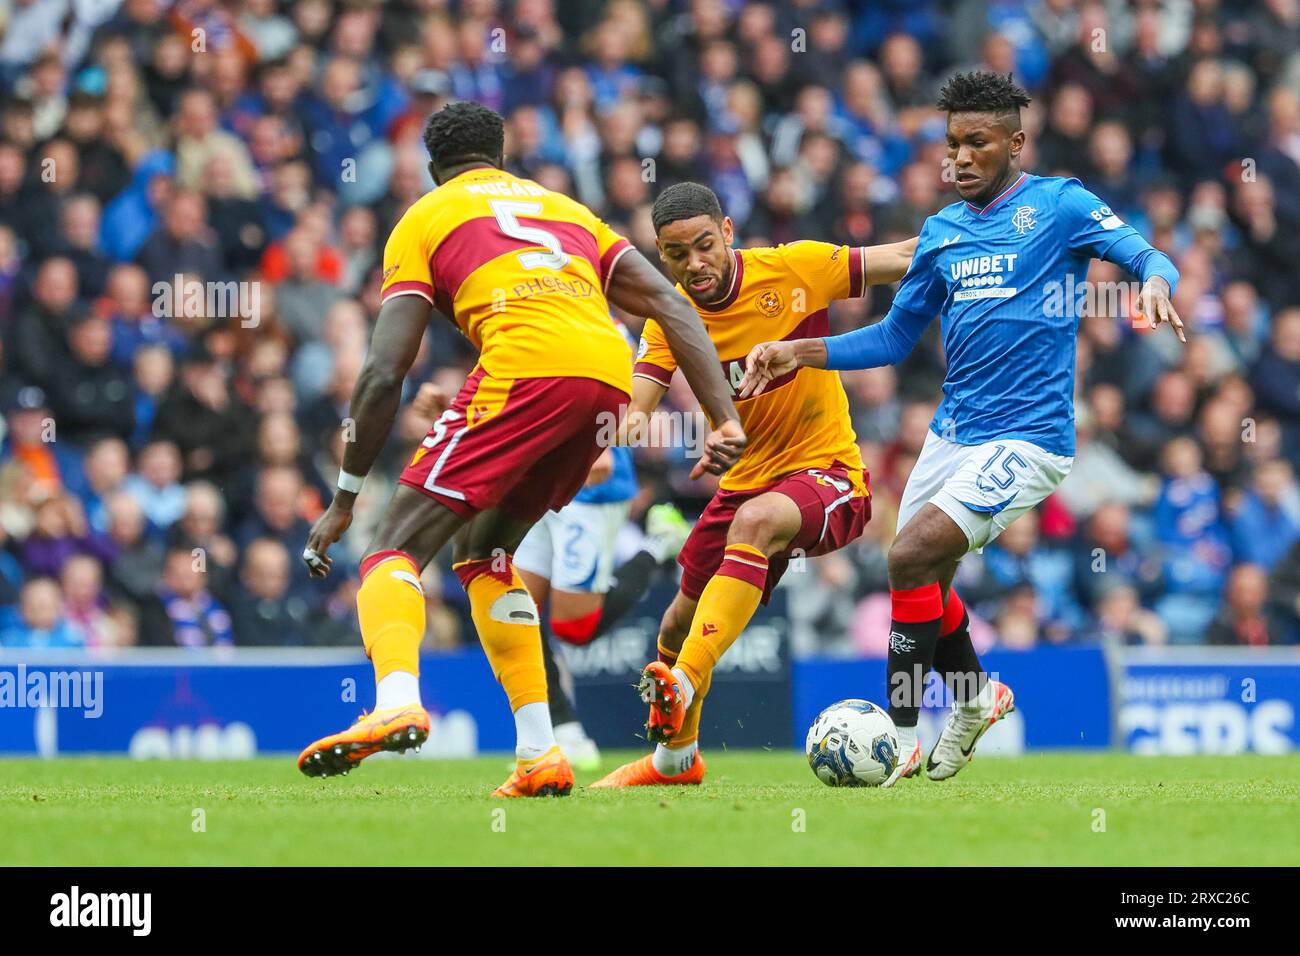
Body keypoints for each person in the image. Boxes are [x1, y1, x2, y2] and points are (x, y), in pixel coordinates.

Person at [740, 71, 1184, 785]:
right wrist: (800, 350)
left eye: (977, 141)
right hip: (952, 435)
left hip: (1030, 438)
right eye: (952, 143)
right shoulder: (941, 233)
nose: (961, 157)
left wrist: (1156, 284)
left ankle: (904, 735)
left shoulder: (1060, 204)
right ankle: (976, 698)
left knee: (909, 558)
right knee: (926, 576)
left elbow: (1146, 255)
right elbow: (890, 339)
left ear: (1015, 142)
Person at [296, 102, 745, 797]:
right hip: (604, 380)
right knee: (484, 554)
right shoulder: (568, 211)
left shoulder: (425, 215)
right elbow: (674, 304)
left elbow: (385, 370)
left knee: (393, 549)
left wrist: (346, 496)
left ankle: (393, 702)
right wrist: (721, 417)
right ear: (501, 158)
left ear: (432, 168)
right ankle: (540, 750)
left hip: (526, 369)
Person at [593, 181, 916, 788]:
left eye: (705, 246)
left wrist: (988, 243)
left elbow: (901, 256)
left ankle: (682, 682)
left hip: (828, 473)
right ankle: (674, 763)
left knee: (757, 524)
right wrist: (617, 431)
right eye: (676, 254)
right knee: (673, 625)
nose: (695, 264)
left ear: (729, 234)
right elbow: (636, 410)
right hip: (745, 483)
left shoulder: (794, 268)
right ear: (660, 255)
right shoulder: (669, 317)